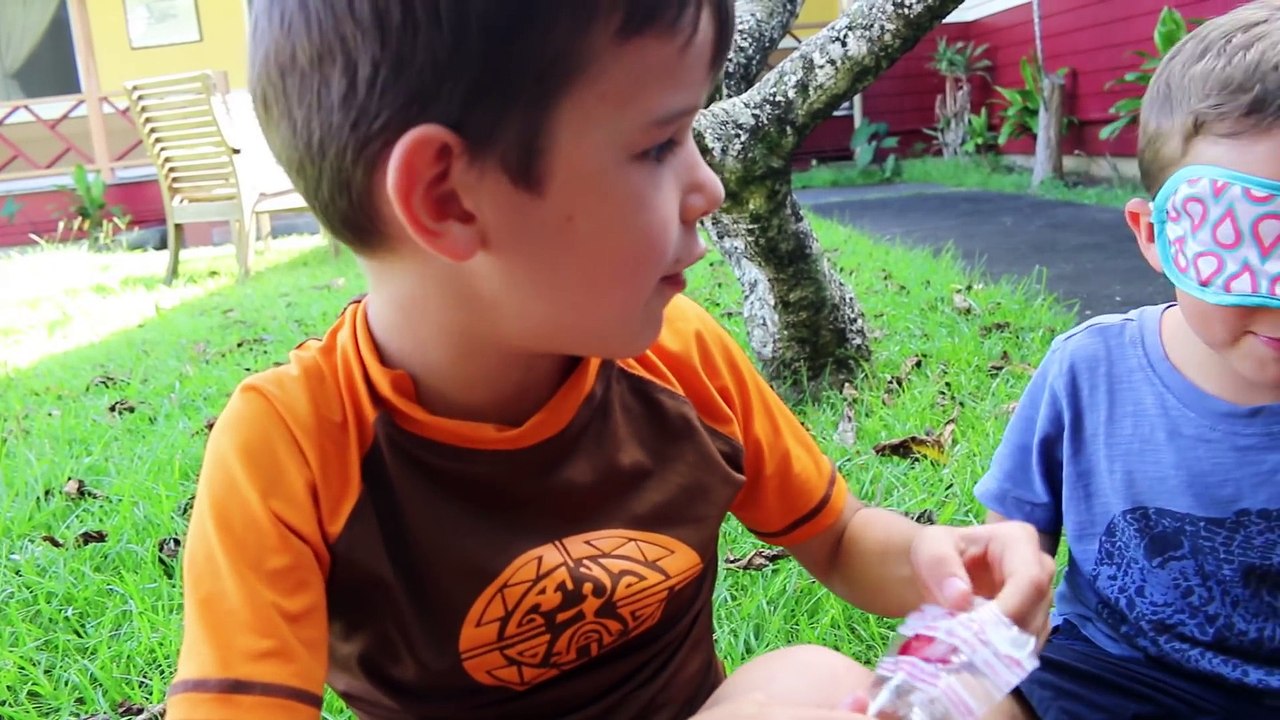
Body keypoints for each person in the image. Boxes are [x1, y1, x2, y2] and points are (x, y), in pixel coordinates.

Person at [165, 2, 1054, 718]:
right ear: (448, 196)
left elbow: (841, 538)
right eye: (659, 144)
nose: (708, 186)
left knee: (842, 683)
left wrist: (941, 561)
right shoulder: (293, 447)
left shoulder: (679, 355)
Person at [975, 2, 1280, 718]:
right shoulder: (1089, 371)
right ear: (1156, 236)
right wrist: (1010, 585)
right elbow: (1012, 527)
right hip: (1110, 669)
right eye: (1240, 241)